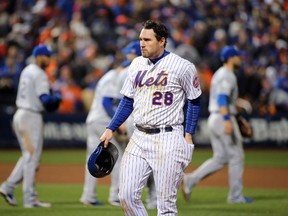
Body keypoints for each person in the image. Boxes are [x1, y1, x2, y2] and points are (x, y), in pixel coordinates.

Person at [100, 19, 202, 215]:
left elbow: (194, 101)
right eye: (140, 39)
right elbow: (127, 101)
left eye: (147, 39)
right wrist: (110, 128)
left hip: (169, 136)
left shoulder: (182, 66)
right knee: (126, 196)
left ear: (162, 41)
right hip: (138, 136)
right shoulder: (136, 64)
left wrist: (188, 134)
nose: (141, 43)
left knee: (166, 206)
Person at [80, 41, 153, 207]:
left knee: (93, 157)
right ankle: (114, 195)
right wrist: (118, 123)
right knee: (118, 155)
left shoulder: (114, 74)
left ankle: (88, 196)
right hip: (103, 120)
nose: (127, 56)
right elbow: (107, 101)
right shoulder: (116, 75)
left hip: (94, 120)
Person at [182, 45, 253, 204]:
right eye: (237, 56)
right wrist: (228, 119)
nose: (239, 58)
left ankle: (191, 180)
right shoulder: (227, 75)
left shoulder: (219, 74)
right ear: (230, 58)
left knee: (221, 157)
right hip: (222, 118)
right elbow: (221, 98)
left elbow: (224, 98)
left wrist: (235, 109)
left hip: (215, 118)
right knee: (237, 156)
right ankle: (235, 196)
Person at [0, 44, 61, 208]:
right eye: (46, 56)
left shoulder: (27, 70)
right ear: (39, 56)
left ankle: (8, 187)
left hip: (20, 115)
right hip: (31, 117)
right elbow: (45, 100)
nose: (48, 59)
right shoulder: (39, 73)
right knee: (32, 157)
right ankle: (29, 198)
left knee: (28, 155)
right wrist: (56, 97)